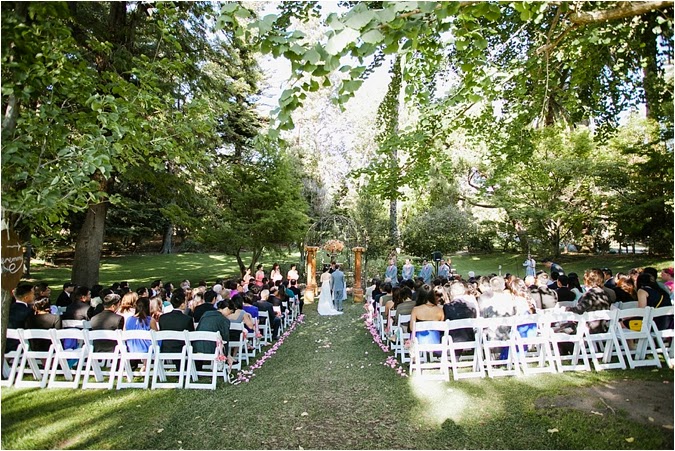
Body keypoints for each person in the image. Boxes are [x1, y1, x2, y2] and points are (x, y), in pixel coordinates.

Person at [158, 289, 195, 353]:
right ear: (182, 304)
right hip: (182, 351)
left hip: (165, 350)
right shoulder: (187, 319)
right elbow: (192, 337)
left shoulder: (162, 318)